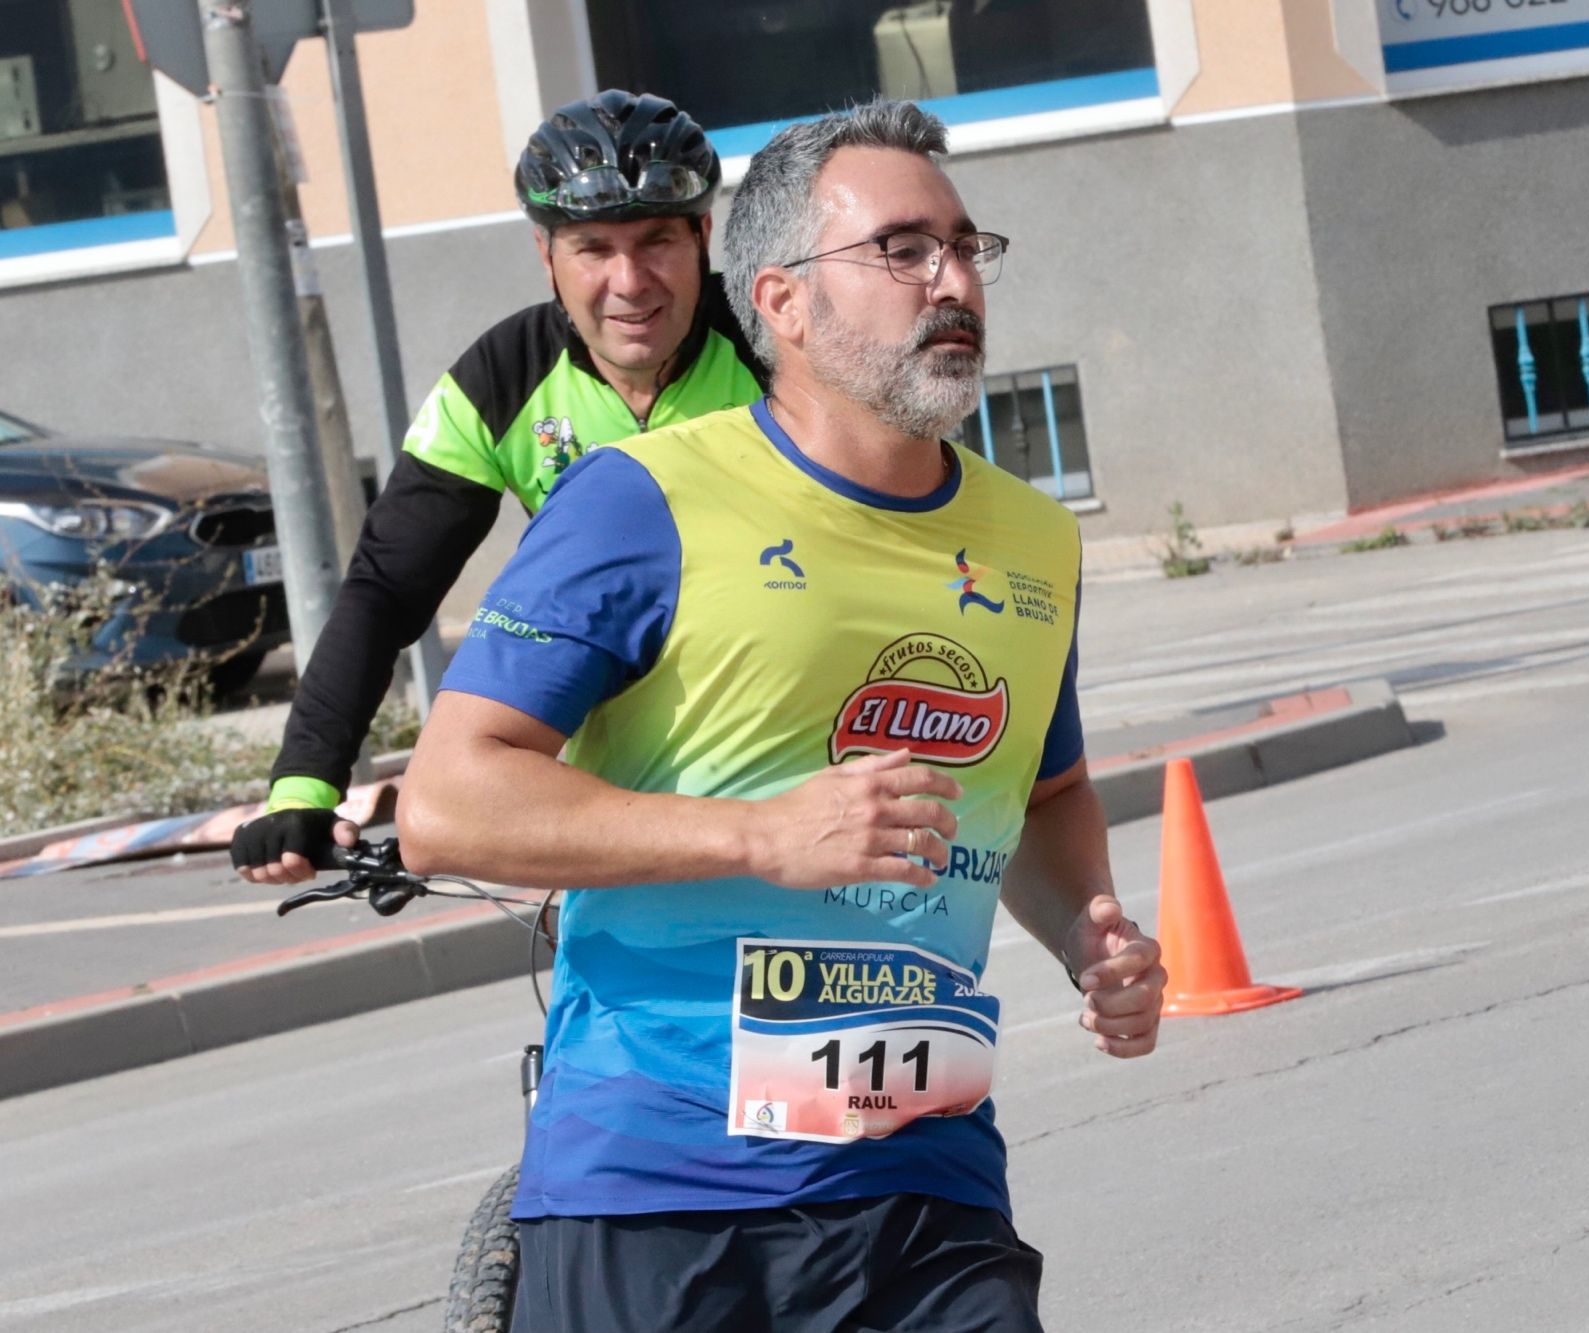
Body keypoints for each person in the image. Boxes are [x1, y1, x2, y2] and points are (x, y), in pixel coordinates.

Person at [396, 99, 1167, 1332]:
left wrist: (1089, 936)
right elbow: (443, 805)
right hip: (661, 1189)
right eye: (902, 250)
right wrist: (760, 836)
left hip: (926, 1179)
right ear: (782, 300)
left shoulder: (1030, 538)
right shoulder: (639, 501)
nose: (952, 280)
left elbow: (1046, 792)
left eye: (966, 247)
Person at [232, 90, 763, 886]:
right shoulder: (501, 377)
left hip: (783, 755)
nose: (629, 281)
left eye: (657, 240)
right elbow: (385, 588)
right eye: (592, 247)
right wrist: (305, 783)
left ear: (703, 237)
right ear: (545, 255)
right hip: (613, 791)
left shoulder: (777, 345)